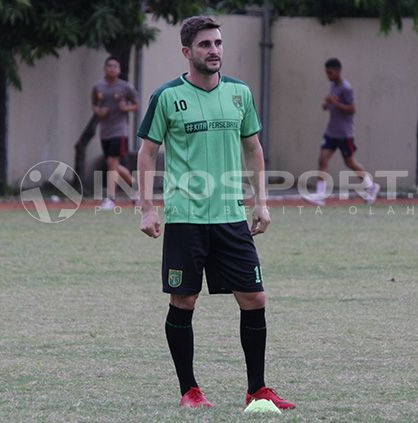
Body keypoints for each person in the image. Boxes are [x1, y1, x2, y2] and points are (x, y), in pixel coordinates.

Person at [136, 16, 295, 410]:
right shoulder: (167, 96)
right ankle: (189, 390)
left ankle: (257, 389)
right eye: (205, 45)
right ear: (187, 52)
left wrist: (261, 201)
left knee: (255, 298)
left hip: (230, 216)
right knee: (183, 301)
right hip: (186, 218)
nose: (215, 51)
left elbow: (254, 149)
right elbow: (147, 153)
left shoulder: (239, 93)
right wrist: (146, 207)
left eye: (219, 43)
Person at [305, 58, 379, 206]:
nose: (328, 76)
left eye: (330, 73)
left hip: (345, 134)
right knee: (322, 160)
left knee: (350, 162)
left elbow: (352, 109)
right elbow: (331, 104)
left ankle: (371, 186)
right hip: (331, 132)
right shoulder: (333, 86)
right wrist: (326, 104)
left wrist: (335, 103)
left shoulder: (346, 88)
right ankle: (320, 195)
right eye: (326, 73)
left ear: (338, 71)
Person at [91, 56, 138, 210]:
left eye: (115, 66)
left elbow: (136, 105)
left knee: (112, 164)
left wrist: (127, 108)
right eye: (109, 66)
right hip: (105, 131)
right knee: (114, 165)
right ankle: (136, 189)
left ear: (119, 70)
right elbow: (94, 105)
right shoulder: (98, 87)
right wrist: (98, 110)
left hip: (120, 130)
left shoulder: (126, 87)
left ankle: (110, 199)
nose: (112, 68)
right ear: (105, 69)